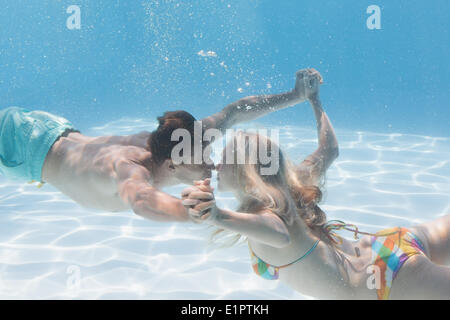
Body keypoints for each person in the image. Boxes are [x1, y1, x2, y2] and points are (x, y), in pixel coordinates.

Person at [181, 70, 450, 299]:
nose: (216, 165)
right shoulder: (294, 180)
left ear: (245, 172)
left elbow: (278, 233)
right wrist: (314, 101)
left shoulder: (268, 216)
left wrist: (216, 215)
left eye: (225, 159)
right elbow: (330, 149)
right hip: (389, 244)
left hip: (389, 276)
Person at [0, 69, 313, 222]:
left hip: (54, 128)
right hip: (19, 148)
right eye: (201, 160)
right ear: (172, 164)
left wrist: (295, 95)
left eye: (207, 152)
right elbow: (141, 201)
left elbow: (235, 111)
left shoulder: (183, 140)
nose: (212, 163)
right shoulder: (132, 167)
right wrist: (192, 212)